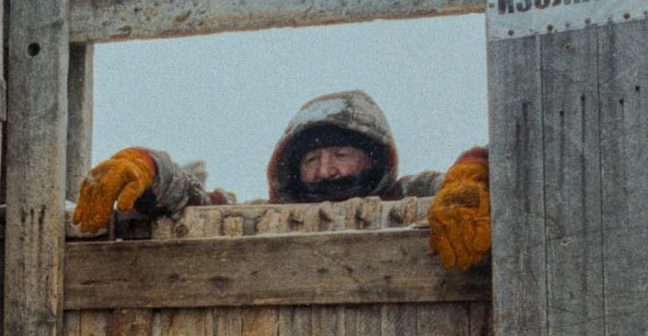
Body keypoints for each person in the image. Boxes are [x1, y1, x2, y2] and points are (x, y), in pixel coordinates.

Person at [69, 90, 492, 270]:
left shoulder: (409, 196)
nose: (325, 170)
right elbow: (196, 203)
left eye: (341, 155)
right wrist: (149, 167)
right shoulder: (263, 217)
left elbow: (509, 168)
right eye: (313, 158)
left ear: (372, 156)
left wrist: (475, 174)